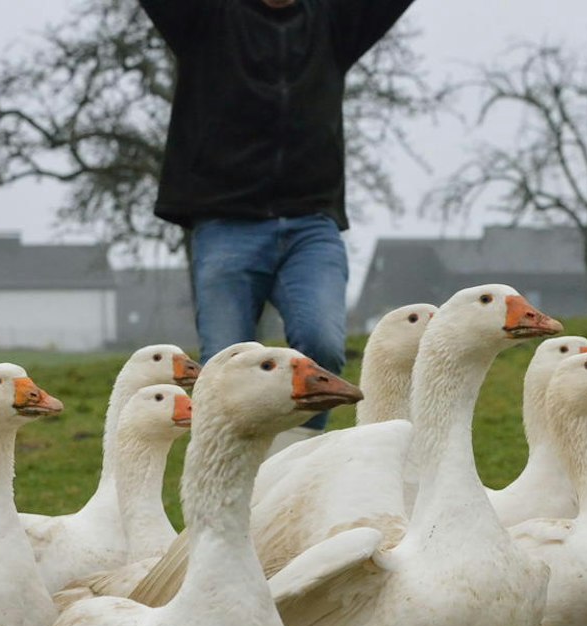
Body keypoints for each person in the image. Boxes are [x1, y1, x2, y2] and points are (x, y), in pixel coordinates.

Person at [140, 0, 417, 428]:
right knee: (223, 368)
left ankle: (295, 462)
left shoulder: (332, 23)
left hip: (311, 225)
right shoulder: (206, 18)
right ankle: (223, 479)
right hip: (226, 224)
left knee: (321, 348)